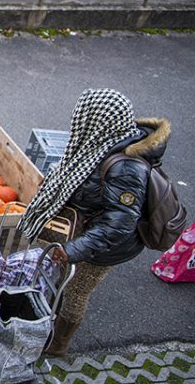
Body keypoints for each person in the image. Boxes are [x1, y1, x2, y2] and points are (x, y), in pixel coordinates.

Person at [17, 89, 170, 356]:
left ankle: (58, 344)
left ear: (98, 121)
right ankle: (49, 315)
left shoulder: (126, 167)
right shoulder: (102, 144)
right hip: (85, 229)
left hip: (104, 248)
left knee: (76, 291)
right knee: (62, 282)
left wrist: (73, 251)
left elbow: (118, 225)